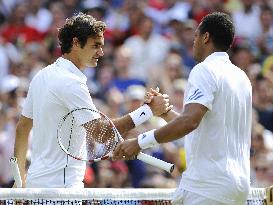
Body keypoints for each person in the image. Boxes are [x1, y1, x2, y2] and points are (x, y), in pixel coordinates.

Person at [14, 13, 172, 188]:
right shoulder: (71, 83)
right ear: (75, 43)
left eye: (102, 46)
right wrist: (148, 111)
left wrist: (19, 180)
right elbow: (101, 134)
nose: (101, 52)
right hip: (62, 191)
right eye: (95, 46)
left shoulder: (41, 75)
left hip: (36, 186)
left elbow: (22, 128)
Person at [113, 12, 252, 205]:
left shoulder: (204, 70)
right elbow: (203, 128)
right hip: (237, 188)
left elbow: (189, 122)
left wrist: (139, 142)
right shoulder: (241, 77)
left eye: (196, 35)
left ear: (206, 37)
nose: (193, 41)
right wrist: (166, 113)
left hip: (207, 188)